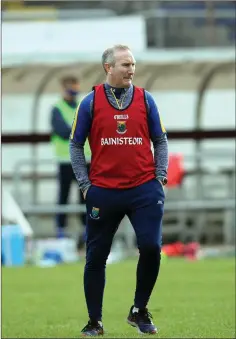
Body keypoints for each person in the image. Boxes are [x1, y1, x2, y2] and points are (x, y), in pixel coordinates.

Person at [69, 45, 168, 336]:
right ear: (108, 68)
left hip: (144, 189)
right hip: (103, 192)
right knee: (96, 257)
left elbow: (160, 140)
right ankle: (95, 321)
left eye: (133, 64)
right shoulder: (89, 102)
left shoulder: (146, 100)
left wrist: (159, 177)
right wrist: (85, 185)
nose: (131, 69)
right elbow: (75, 145)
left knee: (151, 247)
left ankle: (139, 310)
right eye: (125, 64)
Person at [50, 75, 90, 247]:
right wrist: (80, 128)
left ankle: (87, 231)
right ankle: (61, 231)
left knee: (86, 197)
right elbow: (62, 131)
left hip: (85, 160)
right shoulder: (56, 109)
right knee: (63, 197)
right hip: (65, 161)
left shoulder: (84, 106)